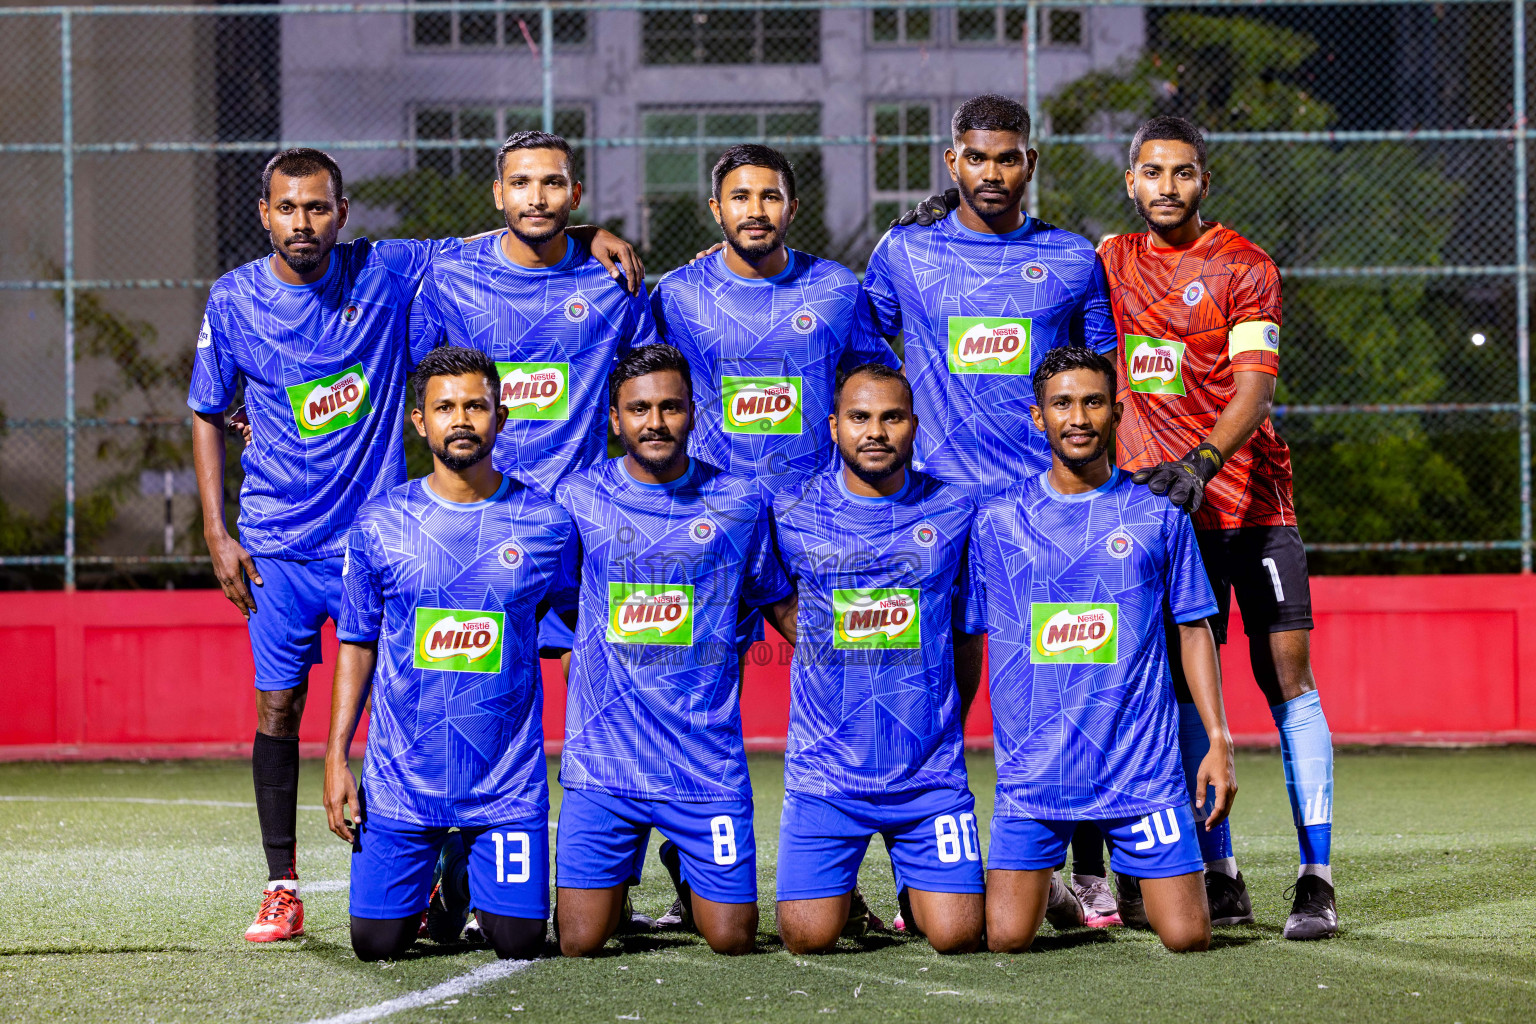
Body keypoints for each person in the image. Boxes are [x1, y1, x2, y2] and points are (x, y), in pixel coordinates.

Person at [189, 146, 638, 943]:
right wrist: (217, 530)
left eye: (318, 207)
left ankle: (465, 871)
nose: (303, 222)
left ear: (343, 212)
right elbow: (205, 407)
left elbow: (508, 230)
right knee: (278, 704)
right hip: (276, 546)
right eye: (287, 208)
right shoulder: (233, 301)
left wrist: (592, 229)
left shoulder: (386, 270)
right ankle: (282, 884)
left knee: (445, 690)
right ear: (264, 215)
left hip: (382, 542)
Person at [1098, 116, 1336, 939]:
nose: (1168, 187)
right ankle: (1221, 869)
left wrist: (1199, 465)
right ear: (1131, 181)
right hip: (1170, 520)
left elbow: (1254, 392)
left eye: (1184, 173)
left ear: (1205, 182)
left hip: (1250, 502)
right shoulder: (1109, 262)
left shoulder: (1244, 266)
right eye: (1153, 173)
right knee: (1186, 692)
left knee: (1288, 680)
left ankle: (1316, 878)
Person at [651, 143, 898, 931]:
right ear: (714, 209)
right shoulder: (678, 294)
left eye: (770, 196)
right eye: (739, 196)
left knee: (845, 695)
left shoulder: (835, 288)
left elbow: (875, 390)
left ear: (793, 206)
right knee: (685, 699)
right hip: (710, 529)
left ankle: (841, 879)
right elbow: (641, 393)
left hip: (819, 529)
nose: (754, 210)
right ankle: (685, 864)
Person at [966, 344, 1236, 953]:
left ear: (1117, 412)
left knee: (1188, 938)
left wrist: (1219, 739)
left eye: (1092, 403)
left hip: (1141, 773)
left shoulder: (1158, 515)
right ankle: (1056, 890)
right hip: (1034, 777)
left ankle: (1108, 875)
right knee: (1006, 939)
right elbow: (963, 634)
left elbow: (1195, 628)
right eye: (1062, 404)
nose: (1078, 418)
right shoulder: (998, 522)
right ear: (1039, 417)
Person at [321, 346, 579, 962]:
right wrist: (335, 759)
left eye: (475, 405)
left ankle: (462, 866)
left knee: (518, 943)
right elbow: (356, 644)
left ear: (502, 415)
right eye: (445, 407)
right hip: (402, 782)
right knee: (376, 945)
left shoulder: (546, 524)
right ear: (420, 422)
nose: (461, 418)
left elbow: (577, 630)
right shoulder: (381, 523)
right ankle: (439, 870)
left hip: (506, 783)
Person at [552, 345, 796, 957]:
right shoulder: (577, 498)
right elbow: (554, 596)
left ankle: (685, 867)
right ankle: (626, 870)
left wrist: (848, 648)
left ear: (694, 412)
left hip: (703, 765)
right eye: (639, 409)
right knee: (580, 942)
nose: (654, 422)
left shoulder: (740, 501)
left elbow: (771, 598)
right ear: (615, 419)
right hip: (604, 764)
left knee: (732, 939)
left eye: (669, 407)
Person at [769, 362, 985, 955]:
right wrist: (821, 636)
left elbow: (967, 632)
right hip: (826, 775)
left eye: (892, 418)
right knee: (807, 940)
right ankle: (855, 894)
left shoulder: (955, 511)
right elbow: (773, 595)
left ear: (914, 426)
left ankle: (929, 892)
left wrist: (946, 721)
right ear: (834, 425)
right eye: (860, 418)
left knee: (957, 937)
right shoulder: (788, 511)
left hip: (928, 776)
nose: (876, 431)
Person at [863, 93, 1117, 501]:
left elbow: (1106, 368)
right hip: (934, 495)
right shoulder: (904, 248)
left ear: (1030, 163)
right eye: (976, 158)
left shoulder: (1073, 256)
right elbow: (859, 342)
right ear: (952, 163)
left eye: (1008, 159)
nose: (992, 174)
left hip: (1043, 492)